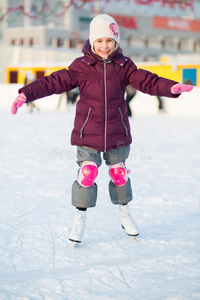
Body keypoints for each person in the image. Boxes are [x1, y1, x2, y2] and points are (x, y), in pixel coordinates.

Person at [11, 14, 193, 244]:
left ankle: (124, 211)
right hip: (88, 133)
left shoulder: (124, 66)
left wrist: (171, 87)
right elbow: (52, 82)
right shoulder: (81, 67)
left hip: (117, 132)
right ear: (92, 41)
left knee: (119, 174)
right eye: (99, 41)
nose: (104, 46)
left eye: (109, 41)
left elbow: (147, 81)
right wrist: (26, 93)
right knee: (87, 173)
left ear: (116, 42)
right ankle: (80, 216)